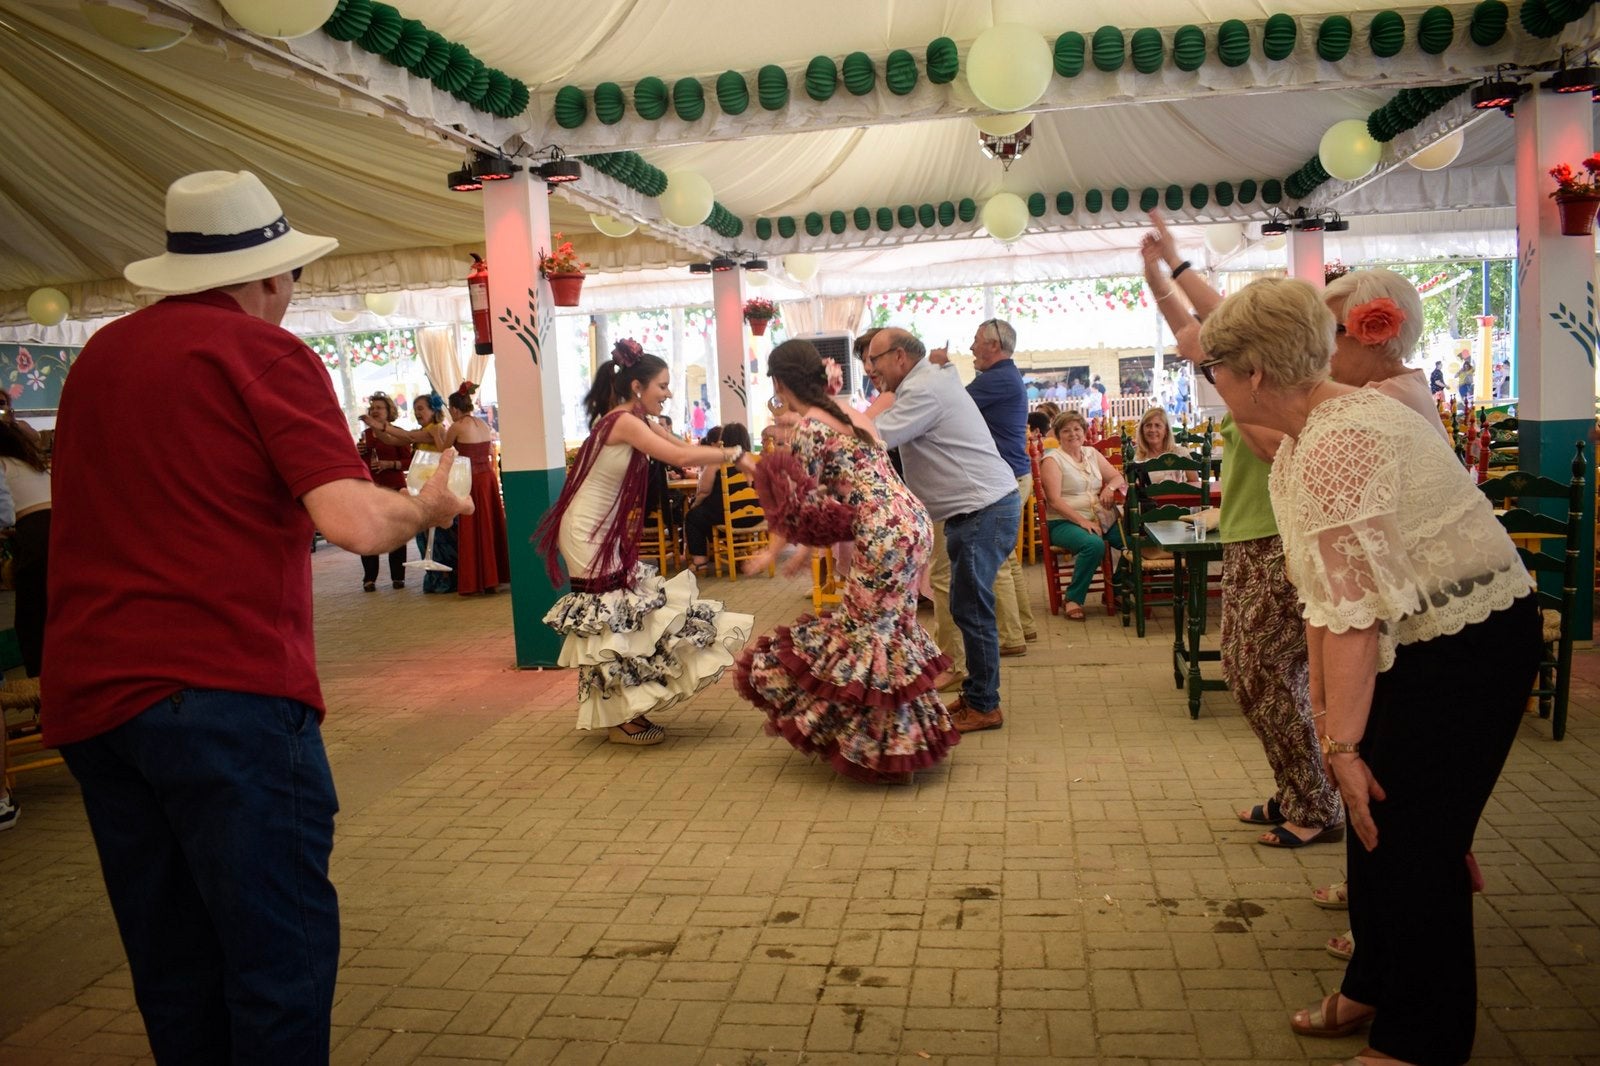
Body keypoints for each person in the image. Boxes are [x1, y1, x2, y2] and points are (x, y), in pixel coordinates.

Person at [42, 169, 471, 1063]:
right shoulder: (262, 353)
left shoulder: (99, 361)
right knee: (278, 957)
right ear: (270, 277)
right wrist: (428, 509)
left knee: (172, 961)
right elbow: (353, 521)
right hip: (222, 691)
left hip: (94, 699)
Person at [1198, 277, 1539, 1066]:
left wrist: (1344, 748)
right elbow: (1326, 603)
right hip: (1411, 640)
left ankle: (1424, 1040)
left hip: (1469, 640)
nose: (1207, 380)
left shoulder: (1342, 437)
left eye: (1212, 366)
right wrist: (1330, 732)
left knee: (1416, 841)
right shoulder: (1304, 437)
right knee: (1376, 827)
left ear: (1250, 373)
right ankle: (1373, 982)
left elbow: (1352, 616)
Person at [1142, 210, 1343, 850]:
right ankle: (1299, 790)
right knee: (1256, 668)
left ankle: (1315, 802)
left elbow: (1265, 448)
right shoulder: (1253, 380)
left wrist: (1217, 376)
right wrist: (1160, 271)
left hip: (1276, 538)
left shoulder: (1282, 393)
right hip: (1252, 535)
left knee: (1258, 668)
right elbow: (1196, 323)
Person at [735, 340, 959, 782]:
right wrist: (806, 549)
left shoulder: (808, 429)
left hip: (881, 528)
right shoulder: (850, 413)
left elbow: (796, 499)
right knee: (891, 629)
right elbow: (833, 489)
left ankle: (886, 752)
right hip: (911, 521)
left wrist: (773, 551)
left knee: (868, 634)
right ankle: (900, 740)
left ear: (779, 383)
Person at [535, 338, 753, 746]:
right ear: (638, 386)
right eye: (663, 385)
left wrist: (734, 454)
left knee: (627, 614)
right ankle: (619, 717)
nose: (668, 394)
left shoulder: (634, 418)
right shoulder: (623, 421)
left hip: (599, 529)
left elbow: (683, 449)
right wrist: (737, 455)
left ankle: (626, 707)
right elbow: (675, 458)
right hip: (585, 530)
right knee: (608, 620)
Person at [865, 328, 1021, 733]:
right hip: (978, 508)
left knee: (973, 611)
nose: (870, 369)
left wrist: (822, 419)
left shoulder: (923, 390)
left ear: (899, 357)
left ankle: (986, 705)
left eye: (874, 359)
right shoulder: (927, 378)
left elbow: (876, 437)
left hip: (982, 509)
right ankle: (976, 696)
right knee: (967, 609)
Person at [935, 319, 1036, 658]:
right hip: (1016, 475)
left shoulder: (997, 379)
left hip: (1006, 479)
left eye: (977, 340)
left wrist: (941, 371)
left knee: (997, 565)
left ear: (994, 345)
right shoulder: (1005, 376)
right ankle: (1024, 625)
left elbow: (951, 406)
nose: (972, 347)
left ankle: (1010, 637)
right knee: (1006, 558)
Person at [1323, 269, 1447, 441]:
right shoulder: (1408, 387)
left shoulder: (1383, 405)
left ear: (1376, 332)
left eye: (1330, 330)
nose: (1322, 344)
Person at [1038, 410, 1127, 620]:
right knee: (1093, 545)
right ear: (1058, 435)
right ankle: (1073, 598)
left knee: (1133, 540)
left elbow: (1117, 476)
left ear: (1084, 432)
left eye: (1077, 429)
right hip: (1063, 521)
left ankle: (1117, 587)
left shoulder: (1091, 453)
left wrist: (1109, 489)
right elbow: (1054, 501)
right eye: (1066, 430)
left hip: (1099, 517)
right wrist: (1082, 521)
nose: (1073, 434)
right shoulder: (1052, 460)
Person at [367, 392, 458, 591]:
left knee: (440, 537)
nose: (417, 413)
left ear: (433, 410)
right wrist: (378, 429)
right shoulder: (424, 430)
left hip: (437, 488)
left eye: (421, 409)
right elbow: (393, 441)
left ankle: (446, 580)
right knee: (425, 536)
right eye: (415, 409)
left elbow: (406, 437)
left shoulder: (436, 429)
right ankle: (435, 578)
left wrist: (382, 426)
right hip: (423, 489)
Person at [444, 382, 510, 595]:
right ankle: (493, 577)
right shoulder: (482, 425)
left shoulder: (456, 426)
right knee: (489, 525)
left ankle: (476, 580)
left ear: (454, 409)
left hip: (469, 479)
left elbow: (444, 451)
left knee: (473, 527)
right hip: (487, 478)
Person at [0, 420, 51, 677]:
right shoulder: (33, 464)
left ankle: (40, 687)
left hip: (35, 534)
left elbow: (5, 514)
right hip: (65, 529)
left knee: (31, 621)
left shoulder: (2, 465)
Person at [355, 391, 412, 591]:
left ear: (389, 411)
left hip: (394, 487)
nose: (375, 411)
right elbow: (362, 465)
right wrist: (358, 453)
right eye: (373, 408)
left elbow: (410, 461)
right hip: (371, 489)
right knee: (369, 533)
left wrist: (390, 464)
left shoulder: (397, 433)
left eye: (379, 408)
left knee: (396, 532)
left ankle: (398, 576)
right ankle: (369, 578)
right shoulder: (365, 436)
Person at [683, 422, 757, 575]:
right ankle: (739, 554)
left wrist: (695, 504)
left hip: (727, 515)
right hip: (756, 515)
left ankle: (700, 562)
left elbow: (703, 491)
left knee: (694, 516)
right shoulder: (755, 459)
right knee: (709, 515)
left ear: (725, 440)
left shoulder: (719, 460)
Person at [1131, 407, 1200, 485]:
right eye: (1148, 425)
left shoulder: (1181, 453)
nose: (1152, 430)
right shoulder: (1135, 457)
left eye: (1157, 425)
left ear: (1166, 430)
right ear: (1142, 430)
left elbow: (1195, 483)